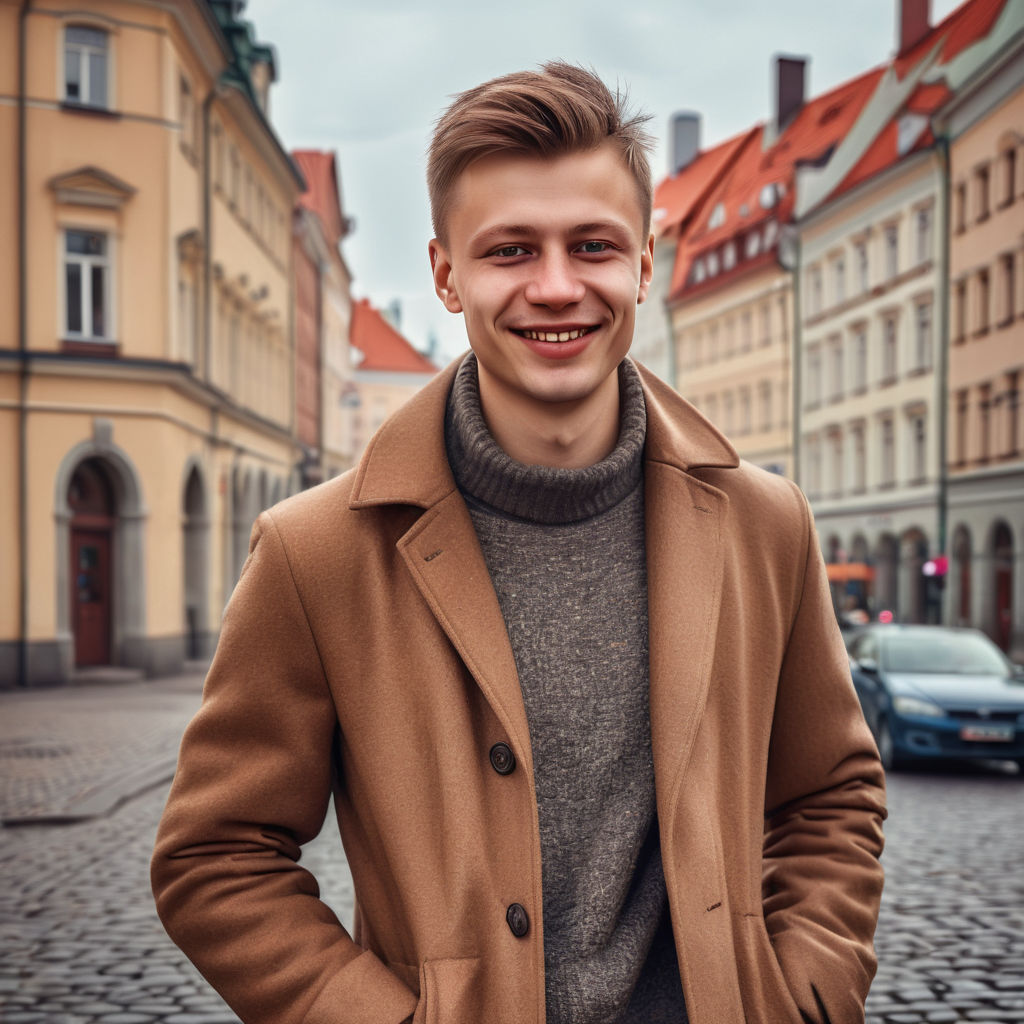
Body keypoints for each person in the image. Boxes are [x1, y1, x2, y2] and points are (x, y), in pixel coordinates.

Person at [152, 62, 886, 1024]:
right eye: (509, 251)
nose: (556, 287)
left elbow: (830, 798)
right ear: (446, 275)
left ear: (647, 264)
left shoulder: (765, 524)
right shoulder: (316, 552)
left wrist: (805, 994)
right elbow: (216, 855)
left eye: (593, 246)